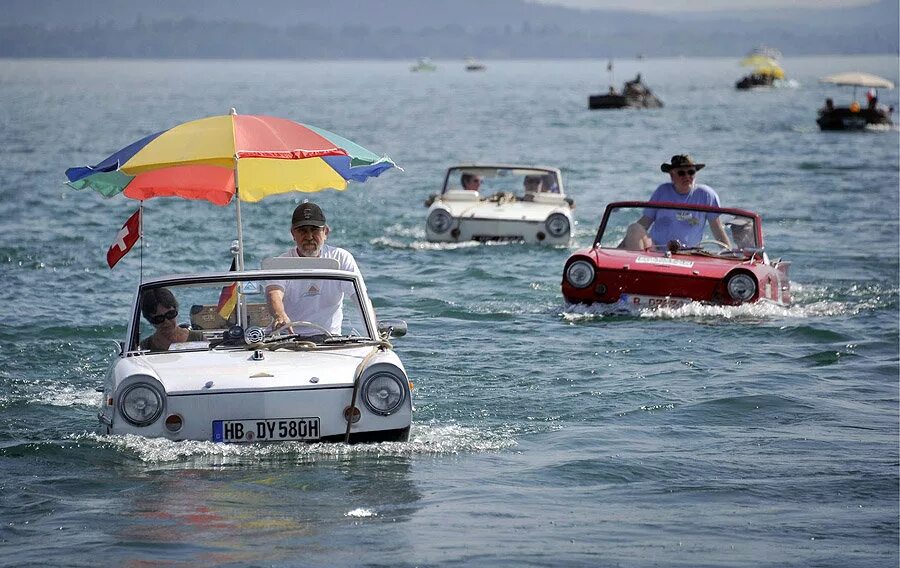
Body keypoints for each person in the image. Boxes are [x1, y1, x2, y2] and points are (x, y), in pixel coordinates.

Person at [266, 202, 365, 336]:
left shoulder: (341, 258)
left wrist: (375, 333)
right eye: (302, 231)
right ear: (293, 234)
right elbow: (274, 293)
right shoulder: (281, 263)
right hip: (288, 338)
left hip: (331, 340)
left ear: (325, 232)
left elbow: (361, 299)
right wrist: (280, 315)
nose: (309, 237)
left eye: (314, 230)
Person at [620, 154, 732, 251]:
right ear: (672, 176)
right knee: (634, 228)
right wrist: (616, 250)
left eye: (691, 172)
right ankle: (635, 272)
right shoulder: (662, 192)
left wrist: (730, 254)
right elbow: (644, 223)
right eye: (681, 173)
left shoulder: (707, 195)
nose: (687, 176)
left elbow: (718, 230)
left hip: (689, 255)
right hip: (656, 251)